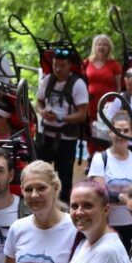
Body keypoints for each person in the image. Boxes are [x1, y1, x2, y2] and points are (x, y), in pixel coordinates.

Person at [87, 111, 132, 249]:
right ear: (110, 132)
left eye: (125, 130)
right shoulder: (101, 159)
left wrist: (116, 196)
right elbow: (100, 193)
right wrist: (122, 197)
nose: (121, 134)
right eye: (117, 130)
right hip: (107, 225)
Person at [36, 50, 89, 203]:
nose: (58, 69)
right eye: (55, 65)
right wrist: (42, 111)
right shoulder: (48, 80)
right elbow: (39, 101)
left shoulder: (78, 84)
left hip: (66, 137)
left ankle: (64, 206)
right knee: (40, 171)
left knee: (65, 176)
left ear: (70, 65)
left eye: (62, 66)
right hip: (45, 134)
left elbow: (82, 114)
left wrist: (60, 118)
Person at [82, 35, 122, 157]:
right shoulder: (87, 62)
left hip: (108, 103)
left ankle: (105, 157)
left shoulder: (114, 64)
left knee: (106, 130)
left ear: (109, 47)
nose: (102, 47)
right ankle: (92, 158)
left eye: (105, 44)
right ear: (95, 46)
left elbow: (119, 86)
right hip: (90, 102)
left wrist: (117, 104)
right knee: (90, 130)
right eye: (99, 44)